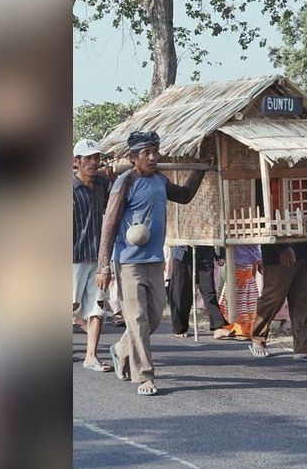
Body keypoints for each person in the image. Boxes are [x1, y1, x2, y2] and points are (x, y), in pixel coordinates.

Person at [95, 131, 207, 396]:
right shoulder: (125, 182)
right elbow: (109, 226)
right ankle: (144, 376)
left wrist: (200, 170)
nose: (154, 157)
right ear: (133, 157)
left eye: (156, 152)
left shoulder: (159, 180)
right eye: (147, 152)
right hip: (128, 263)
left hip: (155, 260)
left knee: (154, 317)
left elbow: (184, 195)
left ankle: (121, 349)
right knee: (136, 318)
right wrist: (104, 267)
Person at [73, 139, 113, 372]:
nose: (93, 162)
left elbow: (113, 203)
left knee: (97, 308)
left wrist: (112, 178)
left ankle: (91, 356)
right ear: (75, 162)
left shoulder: (101, 184)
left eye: (96, 158)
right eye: (88, 158)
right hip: (72, 257)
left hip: (98, 258)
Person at [249, 241, 307, 363]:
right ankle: (258, 338)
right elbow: (271, 223)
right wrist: (282, 248)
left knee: (304, 300)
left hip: (305, 249)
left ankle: (303, 349)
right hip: (277, 252)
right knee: (274, 298)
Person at [166, 245, 232, 338]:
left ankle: (218, 327)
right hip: (182, 251)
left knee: (209, 289)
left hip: (205, 249)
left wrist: (221, 254)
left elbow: (217, 231)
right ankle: (179, 328)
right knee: (182, 291)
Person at [219, 244, 262, 339]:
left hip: (247, 269)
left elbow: (254, 248)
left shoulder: (250, 235)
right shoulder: (232, 233)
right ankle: (231, 328)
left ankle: (245, 330)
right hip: (234, 267)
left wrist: (259, 262)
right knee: (233, 301)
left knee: (247, 303)